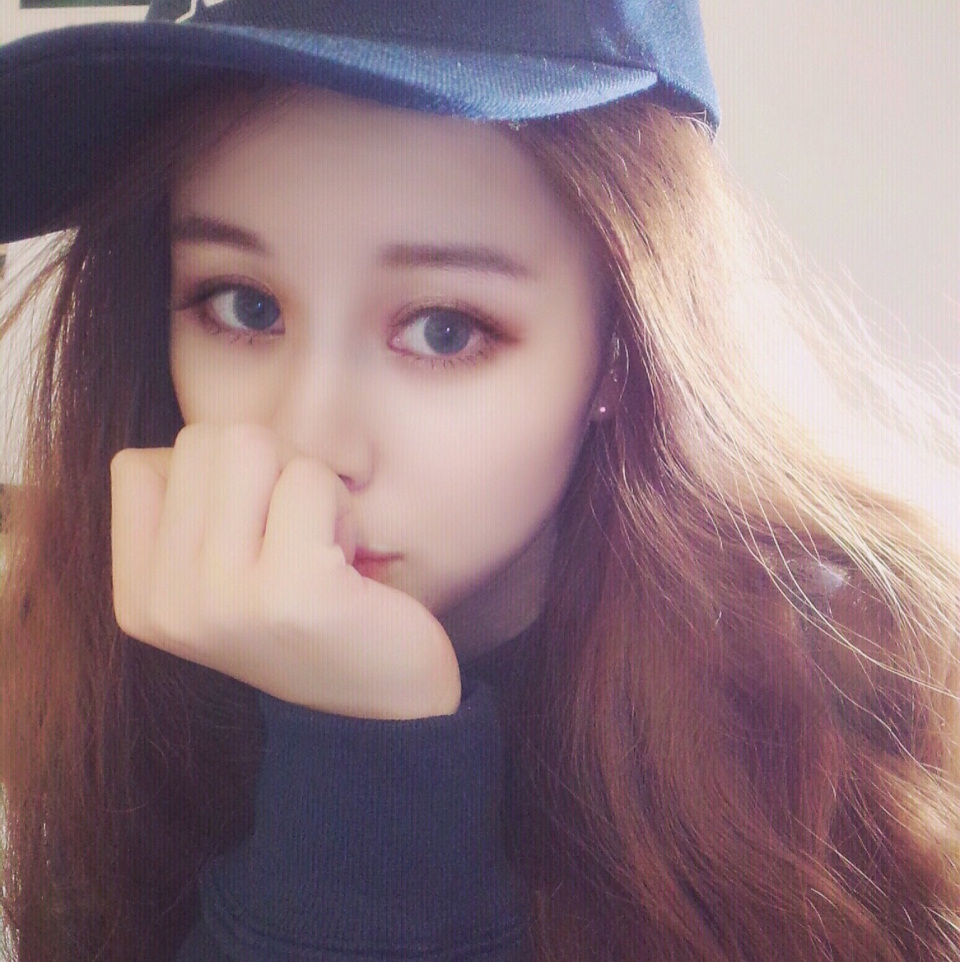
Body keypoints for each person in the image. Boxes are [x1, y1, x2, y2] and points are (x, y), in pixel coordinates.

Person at [0, 2, 958, 961]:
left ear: (622, 349)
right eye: (244, 306)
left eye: (443, 329)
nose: (309, 442)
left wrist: (368, 771)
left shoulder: (859, 704)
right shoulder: (83, 656)